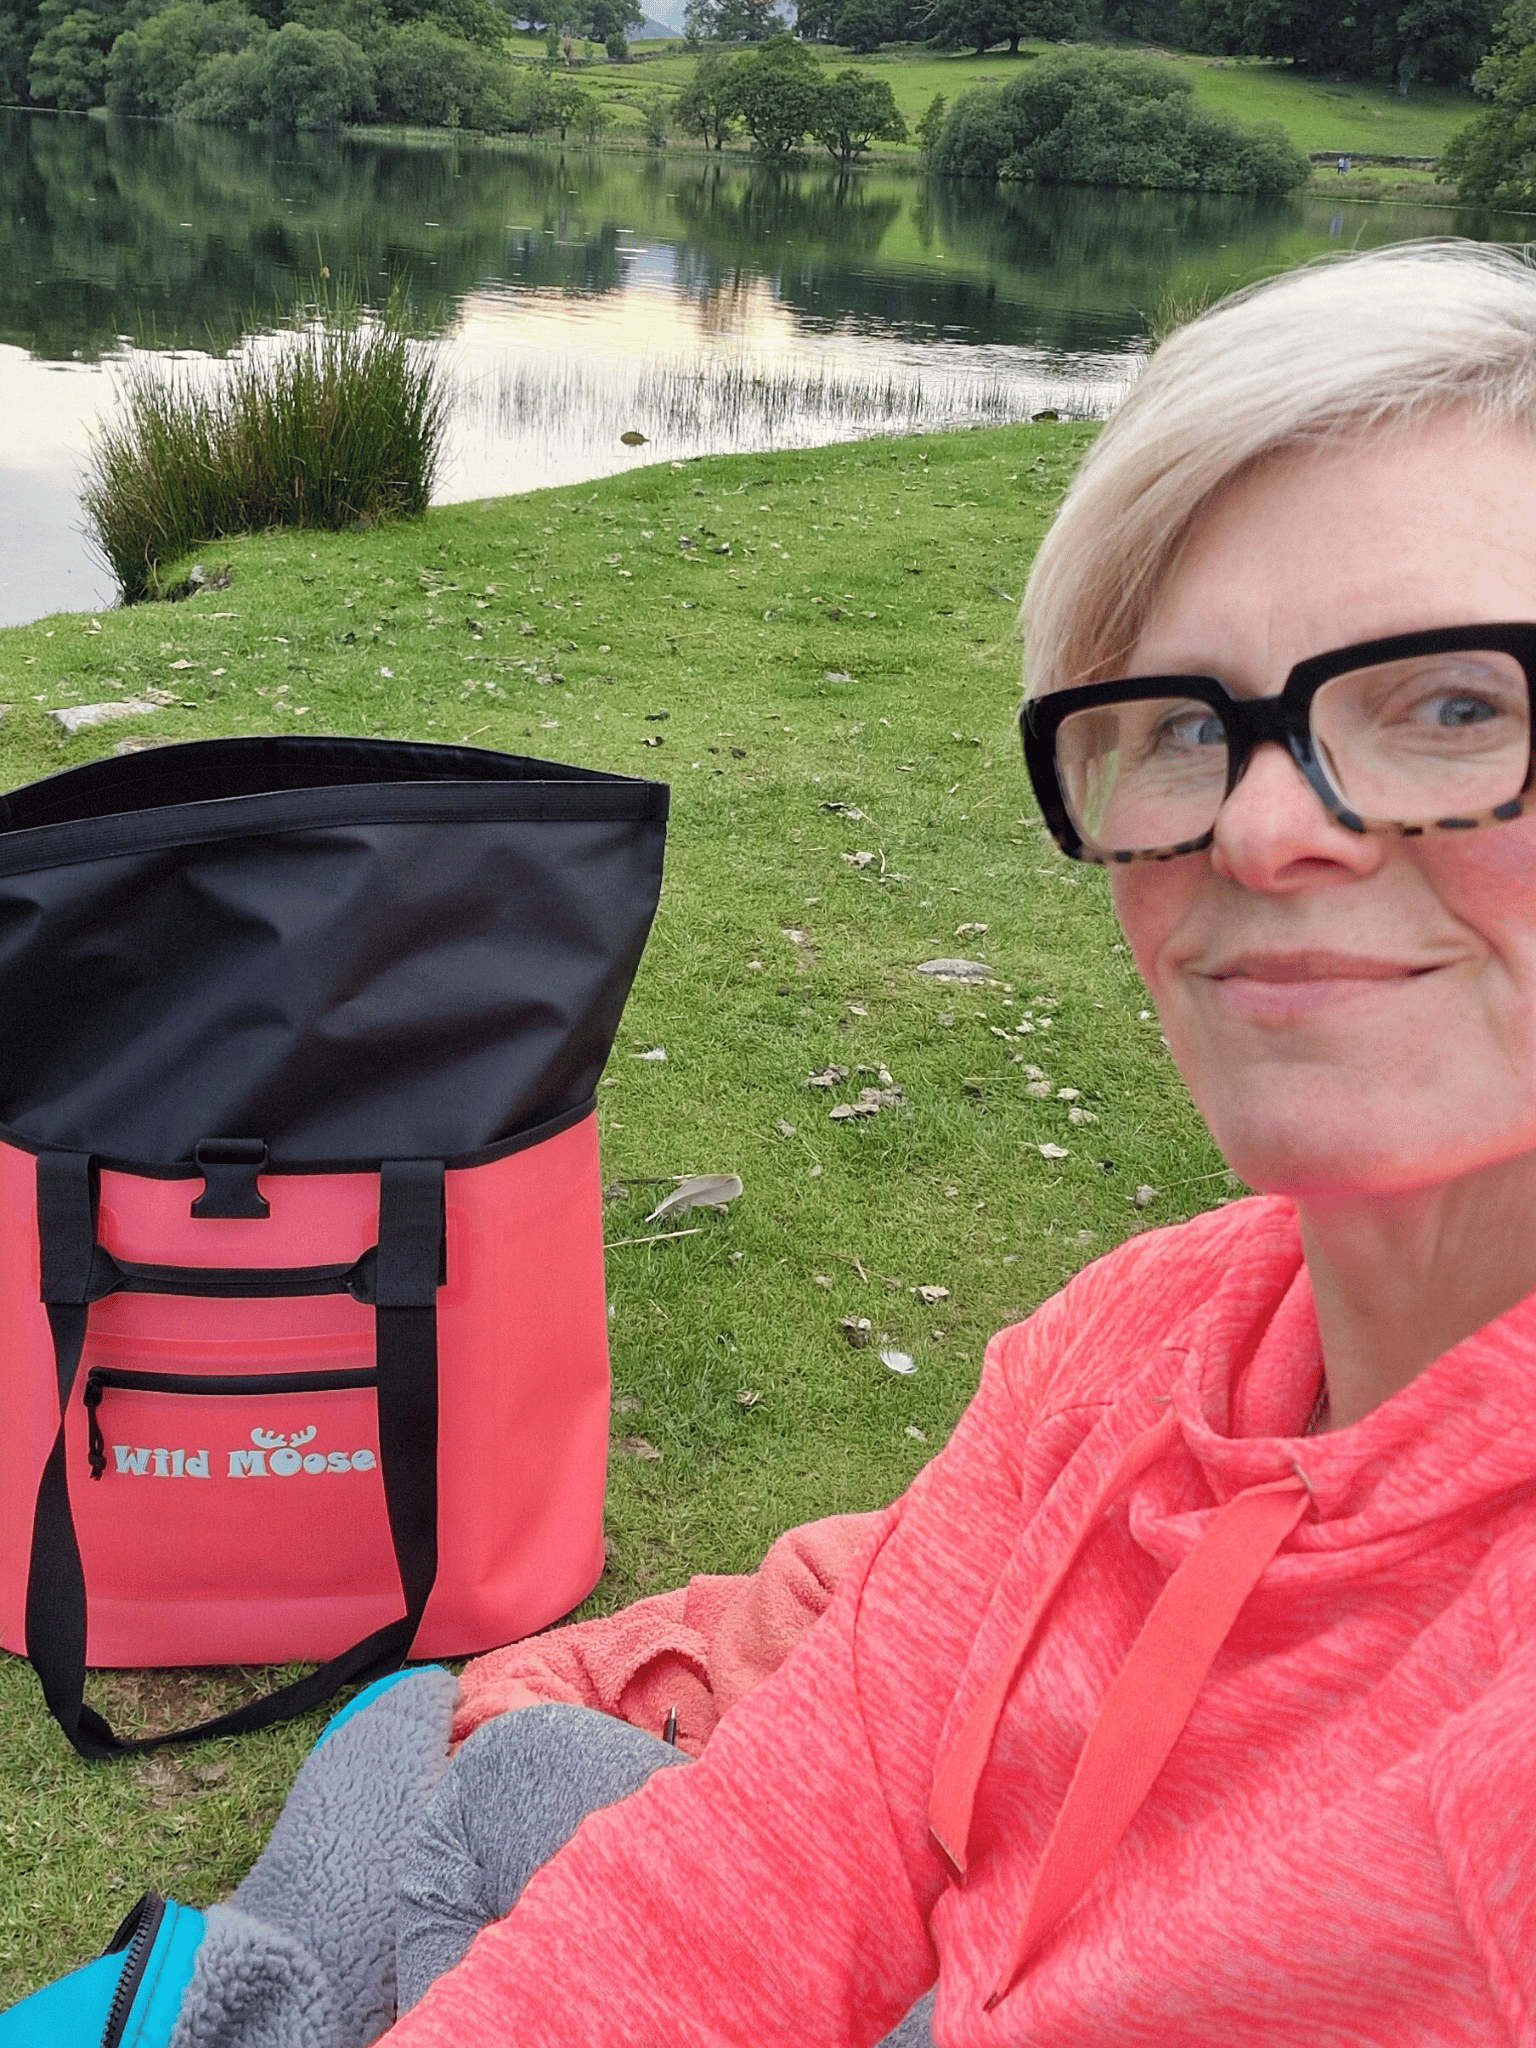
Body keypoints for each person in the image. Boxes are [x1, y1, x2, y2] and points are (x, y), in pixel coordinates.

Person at [12, 235, 1536, 2048]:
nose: (1270, 825)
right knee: (432, 1741)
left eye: (1458, 708)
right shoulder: (1149, 1335)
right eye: (1186, 726)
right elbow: (785, 1836)